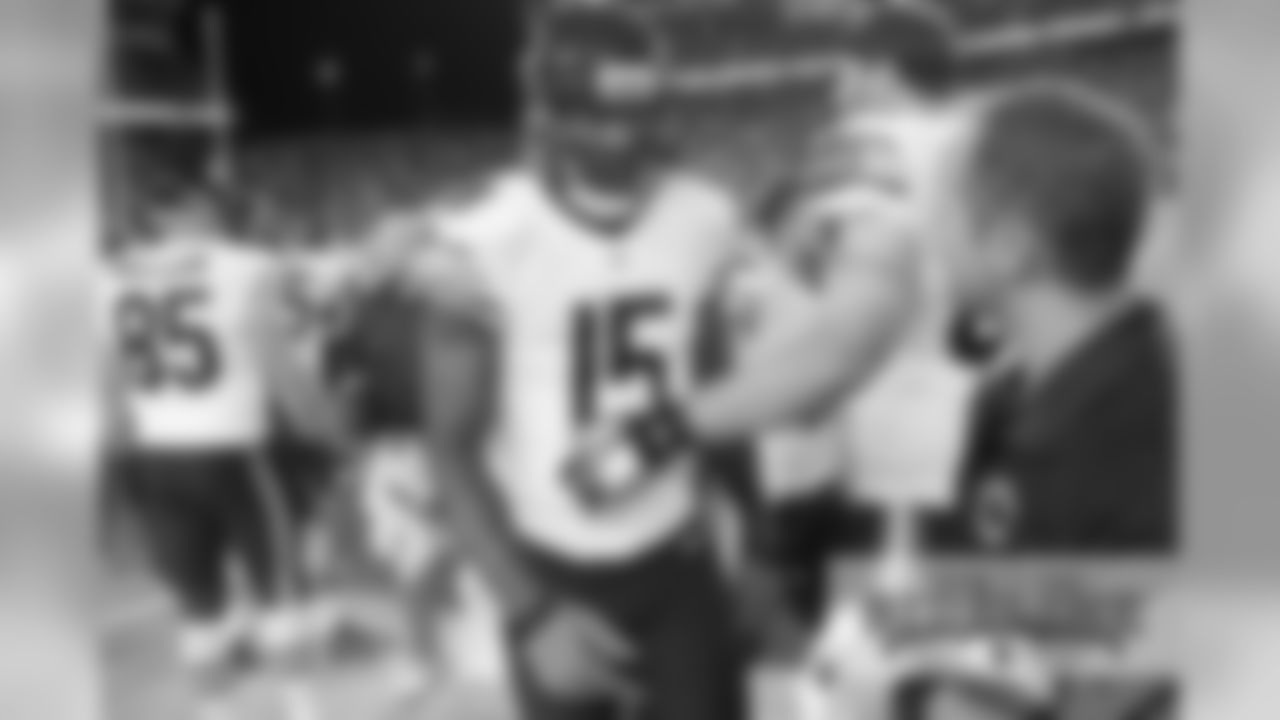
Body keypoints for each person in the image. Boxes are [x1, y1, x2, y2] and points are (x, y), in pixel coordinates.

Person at [402, 6, 758, 720]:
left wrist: (757, 543)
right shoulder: (486, 239)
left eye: (639, 111)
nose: (625, 135)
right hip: (552, 571)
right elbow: (449, 447)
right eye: (598, 116)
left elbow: (723, 396)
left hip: (679, 558)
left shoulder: (705, 217)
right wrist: (530, 612)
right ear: (548, 116)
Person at [104, 188, 349, 699]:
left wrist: (119, 462)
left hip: (153, 454)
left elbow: (107, 382)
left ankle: (216, 712)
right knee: (280, 592)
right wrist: (330, 430)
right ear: (201, 210)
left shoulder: (110, 275)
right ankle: (302, 709)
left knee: (199, 606)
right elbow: (281, 370)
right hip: (234, 450)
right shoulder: (245, 266)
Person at [927, 80, 1179, 555]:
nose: (929, 233)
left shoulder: (1147, 448)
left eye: (943, 208)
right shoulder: (1008, 401)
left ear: (1010, 246)